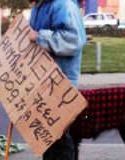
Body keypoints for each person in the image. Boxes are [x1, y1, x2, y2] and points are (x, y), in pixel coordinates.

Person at [29, 0, 87, 159]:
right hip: (43, 83)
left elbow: (74, 40)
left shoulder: (63, 4)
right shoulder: (38, 6)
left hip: (60, 83)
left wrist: (39, 36)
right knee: (48, 140)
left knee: (59, 140)